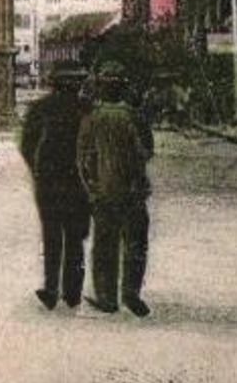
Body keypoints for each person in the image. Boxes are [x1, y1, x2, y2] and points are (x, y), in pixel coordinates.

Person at [77, 61, 153, 317]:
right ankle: (131, 294)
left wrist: (91, 187)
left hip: (104, 192)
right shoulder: (135, 116)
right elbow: (147, 151)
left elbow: (84, 158)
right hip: (133, 191)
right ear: (124, 89)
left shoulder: (92, 118)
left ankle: (107, 297)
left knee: (104, 245)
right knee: (136, 244)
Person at [19, 62, 90, 310]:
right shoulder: (86, 109)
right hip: (78, 182)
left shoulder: (41, 108)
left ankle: (51, 289)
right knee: (75, 237)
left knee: (51, 237)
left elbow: (27, 144)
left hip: (49, 181)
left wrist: (38, 170)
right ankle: (73, 292)